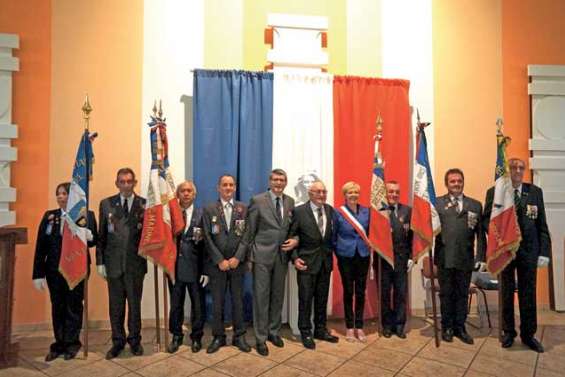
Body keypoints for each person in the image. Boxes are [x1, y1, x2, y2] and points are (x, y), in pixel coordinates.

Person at [484, 157, 550, 352]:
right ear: (508, 170)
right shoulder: (495, 192)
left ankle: (528, 334)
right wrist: (497, 240)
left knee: (528, 293)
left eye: (522, 168)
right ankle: (508, 332)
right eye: (514, 167)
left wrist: (544, 251)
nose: (518, 171)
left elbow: (542, 225)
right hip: (505, 250)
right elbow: (487, 220)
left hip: (529, 251)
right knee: (506, 291)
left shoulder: (535, 192)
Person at [32, 182, 98, 361]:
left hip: (77, 269)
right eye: (58, 194)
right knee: (58, 306)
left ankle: (72, 343)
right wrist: (37, 273)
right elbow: (41, 246)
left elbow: (94, 242)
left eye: (64, 193)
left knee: (74, 306)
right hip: (54, 271)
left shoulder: (85, 214)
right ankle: (59, 343)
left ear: (73, 196)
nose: (61, 197)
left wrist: (88, 234)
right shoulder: (50, 216)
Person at [236, 169, 297, 356]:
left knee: (278, 297)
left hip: (281, 257)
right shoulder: (258, 200)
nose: (278, 183)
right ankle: (261, 338)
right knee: (261, 298)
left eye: (282, 180)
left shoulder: (290, 202)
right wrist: (248, 258)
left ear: (285, 182)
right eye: (275, 180)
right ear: (269, 181)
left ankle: (273, 332)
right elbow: (249, 231)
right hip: (261, 256)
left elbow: (291, 228)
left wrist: (295, 240)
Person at [96, 168, 147, 359]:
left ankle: (135, 341)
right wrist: (100, 262)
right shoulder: (107, 204)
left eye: (129, 181)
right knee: (116, 307)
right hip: (113, 265)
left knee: (135, 306)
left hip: (135, 265)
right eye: (122, 181)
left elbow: (150, 236)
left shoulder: (144, 204)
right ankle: (118, 341)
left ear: (134, 183)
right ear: (116, 183)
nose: (126, 185)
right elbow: (102, 236)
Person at [434, 168, 486, 345]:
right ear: (446, 184)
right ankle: (447, 327)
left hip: (465, 259)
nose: (456, 184)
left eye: (459, 180)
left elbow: (480, 235)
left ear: (463, 182)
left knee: (462, 295)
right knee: (446, 294)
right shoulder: (437, 204)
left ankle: (460, 327)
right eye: (452, 181)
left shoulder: (475, 205)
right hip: (444, 257)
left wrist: (480, 257)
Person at [202, 174, 251, 354]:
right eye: (224, 185)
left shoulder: (243, 208)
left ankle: (239, 336)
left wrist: (237, 257)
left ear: (235, 188)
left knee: (238, 302)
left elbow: (247, 236)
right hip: (218, 265)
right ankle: (218, 337)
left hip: (237, 264)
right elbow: (207, 237)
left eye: (231, 185)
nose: (228, 188)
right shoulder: (209, 209)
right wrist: (219, 260)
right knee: (218, 302)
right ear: (218, 188)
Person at [290, 180, 339, 349]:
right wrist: (294, 258)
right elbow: (292, 236)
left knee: (321, 299)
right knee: (305, 300)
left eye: (324, 191)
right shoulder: (298, 211)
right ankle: (305, 331)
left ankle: (320, 329)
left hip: (325, 263)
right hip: (306, 263)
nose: (321, 195)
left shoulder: (330, 210)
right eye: (317, 191)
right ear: (310, 193)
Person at [166, 181, 209, 354]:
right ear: (177, 194)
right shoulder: (170, 215)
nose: (186, 193)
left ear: (194, 194)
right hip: (174, 267)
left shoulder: (203, 214)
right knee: (176, 304)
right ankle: (176, 336)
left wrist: (206, 270)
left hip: (196, 268)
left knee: (198, 305)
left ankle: (197, 337)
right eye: (182, 191)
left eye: (189, 191)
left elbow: (207, 245)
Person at [332, 181, 370, 342]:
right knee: (348, 291)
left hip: (363, 255)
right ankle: (349, 327)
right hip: (345, 256)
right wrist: (339, 252)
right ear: (345, 195)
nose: (353, 195)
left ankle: (359, 326)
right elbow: (333, 236)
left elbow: (372, 232)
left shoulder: (367, 212)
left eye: (355, 192)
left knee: (361, 291)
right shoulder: (338, 212)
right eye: (349, 192)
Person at [378, 181, 413, 339]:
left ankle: (399, 325)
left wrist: (412, 257)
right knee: (384, 294)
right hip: (383, 260)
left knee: (400, 293)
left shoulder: (407, 210)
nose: (393, 194)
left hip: (401, 260)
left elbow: (412, 237)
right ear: (386, 193)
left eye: (396, 192)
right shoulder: (379, 210)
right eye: (390, 191)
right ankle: (387, 325)